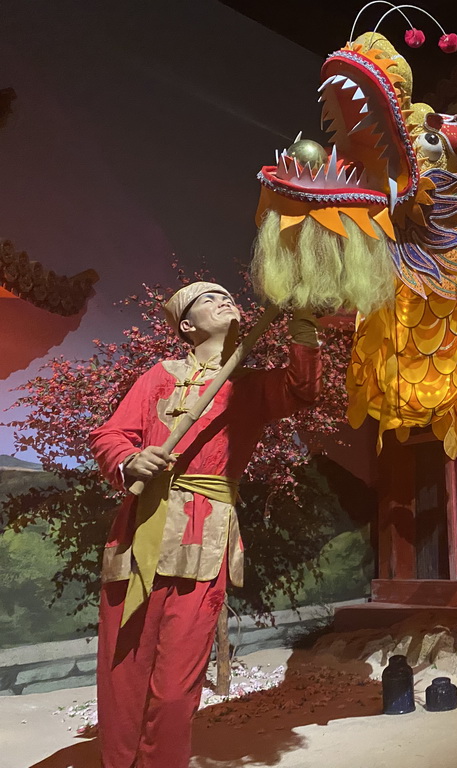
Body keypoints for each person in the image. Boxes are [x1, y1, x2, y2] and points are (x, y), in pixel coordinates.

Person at [88, 282, 321, 768]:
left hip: (204, 536)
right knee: (123, 672)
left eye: (227, 295)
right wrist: (130, 459)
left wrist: (304, 324)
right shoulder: (159, 376)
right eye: (208, 299)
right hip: (139, 532)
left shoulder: (253, 385)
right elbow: (110, 433)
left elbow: (302, 389)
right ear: (186, 326)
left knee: (176, 687)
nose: (224, 299)